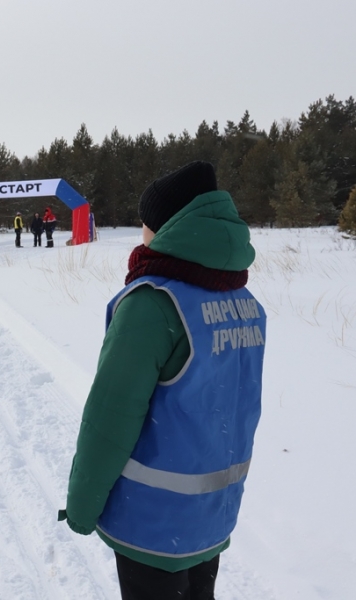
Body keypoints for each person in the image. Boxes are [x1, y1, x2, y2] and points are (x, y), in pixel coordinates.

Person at [59, 161, 266, 600]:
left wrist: (81, 506)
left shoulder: (152, 304)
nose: (142, 233)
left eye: (146, 223)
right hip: (213, 513)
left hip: (153, 523)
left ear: (166, 226)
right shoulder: (243, 300)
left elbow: (110, 418)